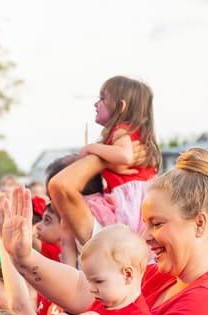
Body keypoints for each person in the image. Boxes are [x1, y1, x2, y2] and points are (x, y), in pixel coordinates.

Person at [5, 148, 208, 315]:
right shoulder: (167, 276)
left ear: (199, 224)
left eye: (157, 224)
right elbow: (83, 288)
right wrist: (25, 256)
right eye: (146, 224)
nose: (146, 236)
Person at [48, 76, 160, 250]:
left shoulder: (122, 130)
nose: (96, 104)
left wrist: (92, 149)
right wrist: (107, 161)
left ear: (121, 106)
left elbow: (125, 156)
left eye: (102, 98)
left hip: (129, 202)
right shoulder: (131, 134)